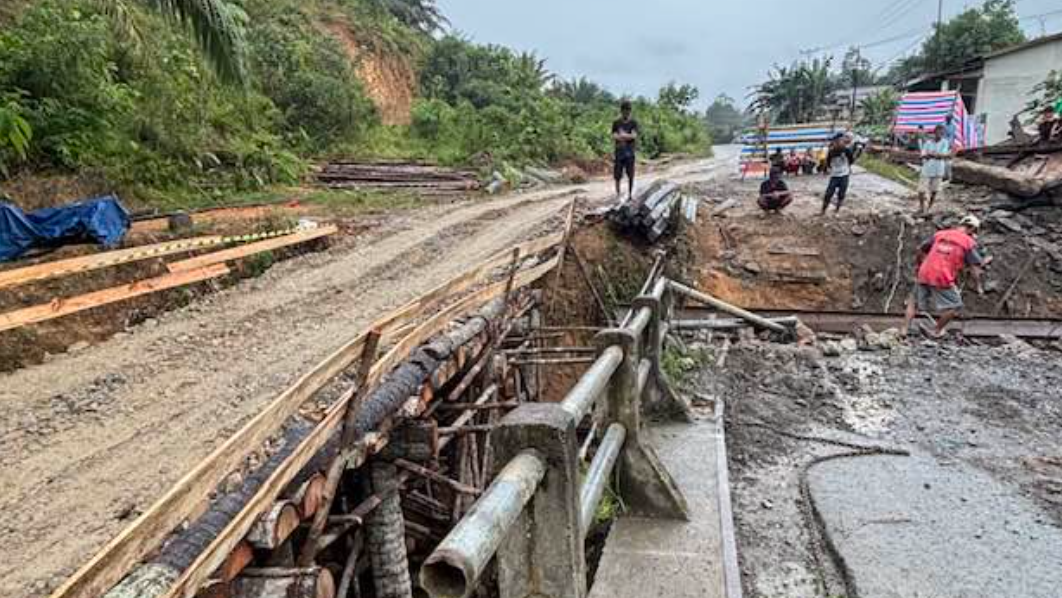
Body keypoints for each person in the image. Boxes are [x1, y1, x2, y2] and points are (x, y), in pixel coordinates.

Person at [901, 215, 988, 339]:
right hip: (942, 275)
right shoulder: (968, 242)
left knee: (913, 302)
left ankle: (904, 330)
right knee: (953, 307)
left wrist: (921, 265)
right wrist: (979, 286)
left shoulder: (940, 234)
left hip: (925, 271)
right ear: (972, 229)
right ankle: (936, 331)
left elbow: (921, 249)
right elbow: (975, 267)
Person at [918, 124, 953, 214]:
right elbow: (922, 156)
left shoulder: (945, 142)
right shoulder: (928, 143)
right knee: (921, 190)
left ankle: (929, 208)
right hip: (927, 170)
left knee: (934, 191)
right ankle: (922, 208)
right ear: (935, 132)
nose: (940, 134)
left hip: (938, 170)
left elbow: (944, 156)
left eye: (942, 133)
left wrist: (931, 155)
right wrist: (934, 155)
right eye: (939, 132)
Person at [821, 133, 856, 215]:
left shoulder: (847, 150)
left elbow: (851, 161)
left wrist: (846, 167)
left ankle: (837, 209)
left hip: (844, 175)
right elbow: (828, 162)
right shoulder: (831, 152)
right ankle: (823, 210)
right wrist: (829, 169)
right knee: (829, 193)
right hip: (834, 175)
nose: (838, 143)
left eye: (840, 141)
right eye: (836, 142)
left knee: (841, 193)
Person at [611, 100, 640, 200]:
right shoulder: (616, 122)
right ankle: (618, 195)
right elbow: (614, 136)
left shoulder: (633, 123)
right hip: (619, 153)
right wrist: (627, 136)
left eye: (628, 111)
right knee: (617, 176)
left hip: (630, 153)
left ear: (630, 111)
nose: (626, 113)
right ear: (621, 111)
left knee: (630, 175)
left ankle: (630, 195)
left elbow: (634, 136)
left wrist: (622, 135)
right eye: (625, 111)